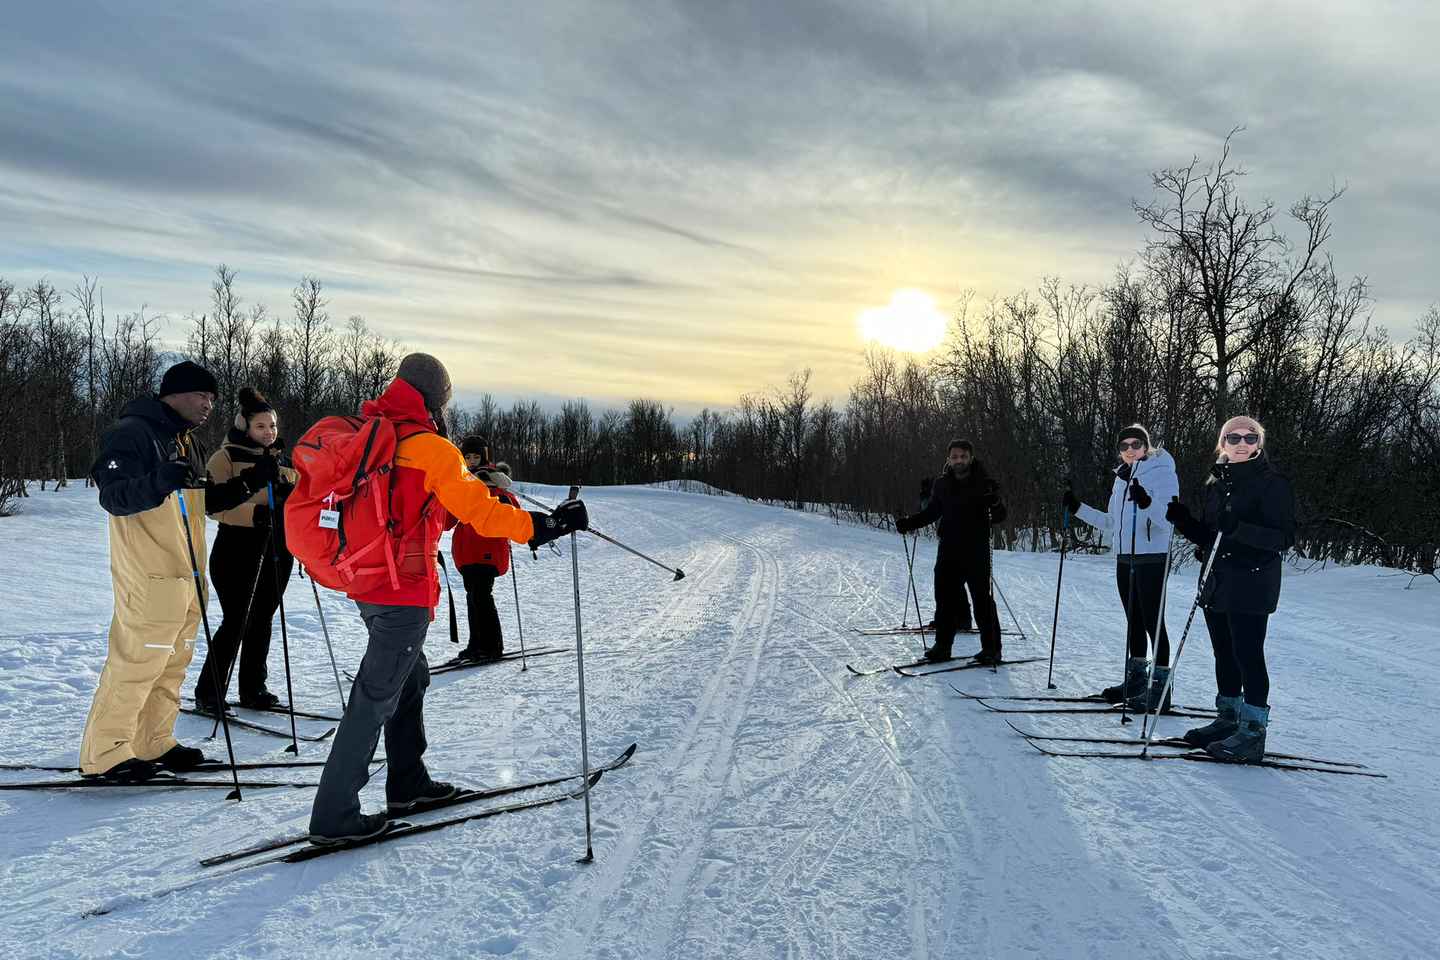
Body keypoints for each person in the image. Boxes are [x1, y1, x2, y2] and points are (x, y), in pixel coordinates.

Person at [306, 354, 588, 844]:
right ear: (436, 400)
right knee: (374, 698)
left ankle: (408, 784)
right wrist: (544, 526)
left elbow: (433, 513)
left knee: (408, 678)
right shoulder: (431, 448)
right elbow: (480, 513)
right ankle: (334, 816)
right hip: (402, 593)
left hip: (367, 583)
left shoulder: (372, 433)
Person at [80, 361, 278, 782]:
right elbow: (114, 497)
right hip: (149, 575)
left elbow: (204, 505)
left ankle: (154, 740)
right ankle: (106, 752)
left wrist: (250, 483)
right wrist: (160, 479)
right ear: (174, 393)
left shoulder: (186, 441)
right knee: (137, 663)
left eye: (212, 399)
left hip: (185, 575)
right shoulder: (132, 433)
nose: (208, 406)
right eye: (201, 396)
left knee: (172, 663)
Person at [1165, 415, 1296, 762]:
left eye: (1250, 438)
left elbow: (1281, 538)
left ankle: (1252, 732)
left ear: (1259, 443)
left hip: (1252, 582)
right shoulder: (1217, 483)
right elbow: (1213, 538)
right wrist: (1185, 522)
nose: (1242, 444)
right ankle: (1228, 718)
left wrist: (1239, 527)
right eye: (1233, 438)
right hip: (1218, 582)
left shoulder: (1272, 483)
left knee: (1248, 654)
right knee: (1223, 653)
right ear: (1222, 443)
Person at [194, 387, 300, 713]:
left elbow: (297, 501)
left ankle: (254, 689)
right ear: (245, 426)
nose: (268, 433)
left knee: (262, 619)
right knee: (236, 620)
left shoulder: (281, 460)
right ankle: (209, 693)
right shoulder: (224, 457)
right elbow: (211, 506)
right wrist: (256, 510)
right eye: (261, 426)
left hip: (276, 548)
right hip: (236, 549)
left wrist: (287, 500)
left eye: (272, 426)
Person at [1063, 424, 1179, 709]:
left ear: (1146, 446)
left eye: (1136, 444)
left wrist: (1148, 502)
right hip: (1125, 557)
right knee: (1135, 622)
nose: (1130, 450)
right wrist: (1078, 508)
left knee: (1154, 622)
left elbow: (1169, 519)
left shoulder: (1162, 471)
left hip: (1152, 557)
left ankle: (1161, 691)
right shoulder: (1121, 477)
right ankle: (1137, 681)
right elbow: (1110, 523)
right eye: (1124, 446)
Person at [895, 439, 1006, 664]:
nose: (959, 461)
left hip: (976, 550)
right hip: (948, 549)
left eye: (963, 456)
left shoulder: (984, 483)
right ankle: (942, 646)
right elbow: (933, 511)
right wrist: (910, 523)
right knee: (944, 599)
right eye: (954, 457)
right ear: (949, 459)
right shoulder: (942, 484)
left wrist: (994, 502)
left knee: (982, 600)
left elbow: (1000, 516)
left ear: (970, 458)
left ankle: (992, 649)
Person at [452, 438, 520, 662]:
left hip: (488, 549)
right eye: (468, 457)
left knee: (482, 596)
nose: (472, 462)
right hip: (467, 551)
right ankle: (476, 645)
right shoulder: (462, 479)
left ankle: (492, 647)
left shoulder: (495, 480)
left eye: (476, 457)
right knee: (473, 598)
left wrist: (494, 488)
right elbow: (450, 517)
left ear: (484, 457)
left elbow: (512, 510)